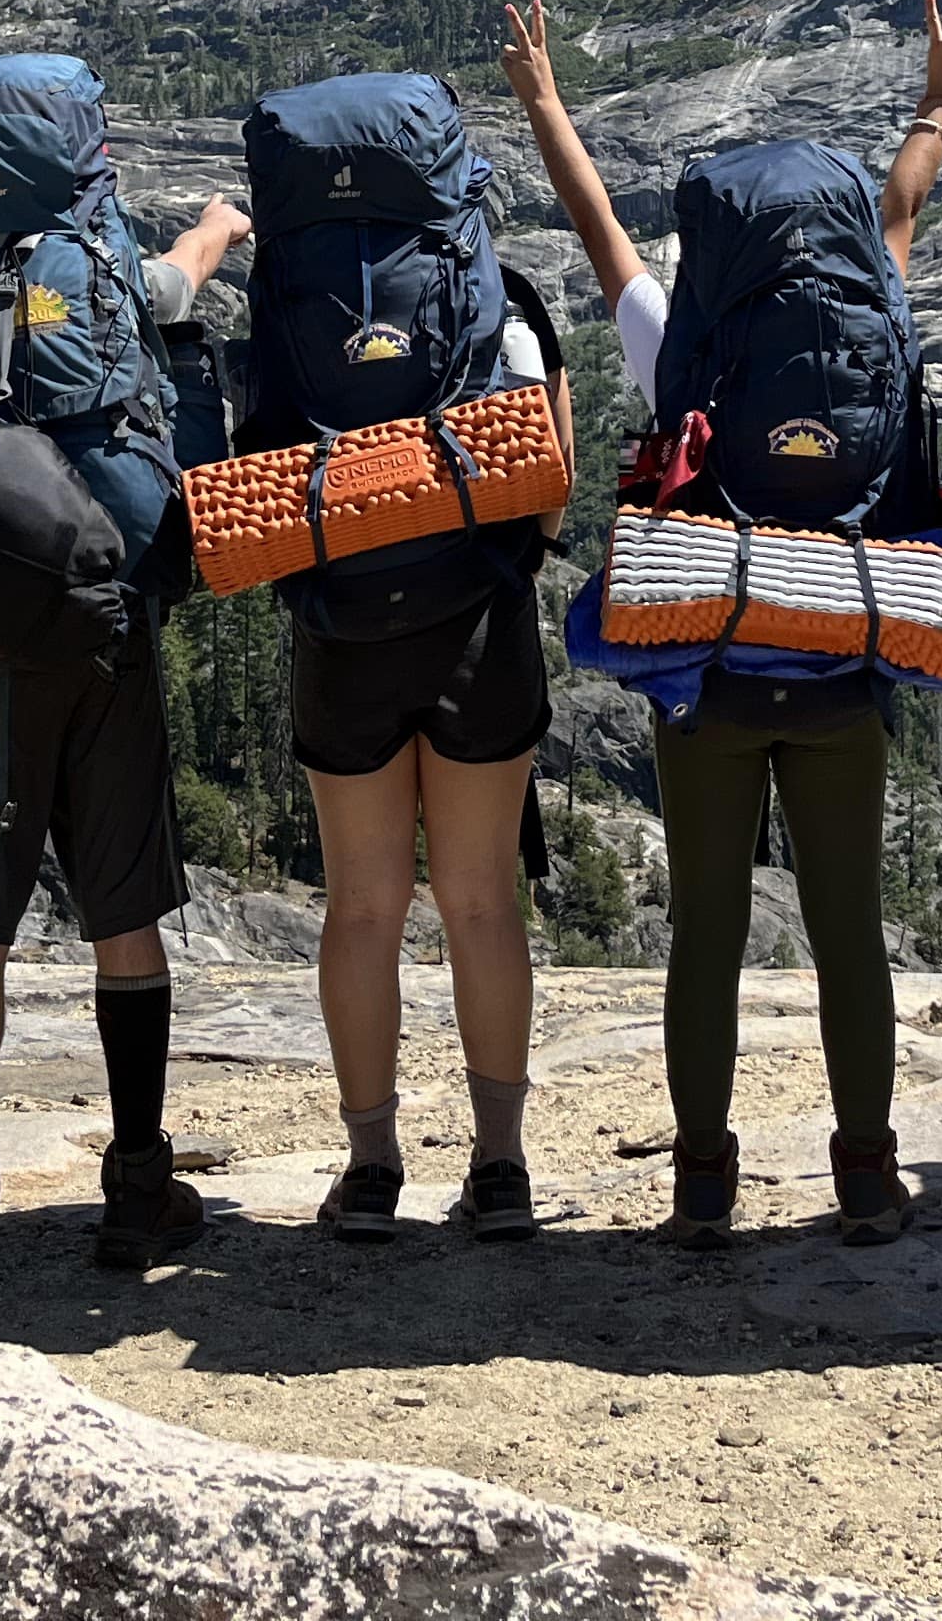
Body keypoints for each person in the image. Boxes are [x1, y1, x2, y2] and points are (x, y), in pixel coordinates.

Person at [506, 0, 942, 1250]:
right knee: (848, 936)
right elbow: (907, 203)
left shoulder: (682, 342)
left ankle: (704, 1182)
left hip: (708, 685)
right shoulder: (871, 313)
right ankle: (868, 1178)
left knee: (706, 931)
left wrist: (546, 103)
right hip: (843, 672)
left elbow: (599, 230)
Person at [0, 192, 251, 1288]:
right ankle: (137, 1190)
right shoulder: (100, 267)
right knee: (122, 911)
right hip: (107, 627)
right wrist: (220, 228)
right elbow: (179, 281)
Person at [274, 234, 571, 1246]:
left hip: (341, 638)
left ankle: (370, 1169)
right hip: (475, 630)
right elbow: (552, 484)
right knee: (481, 899)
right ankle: (499, 1168)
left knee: (361, 907)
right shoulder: (499, 296)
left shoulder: (301, 293)